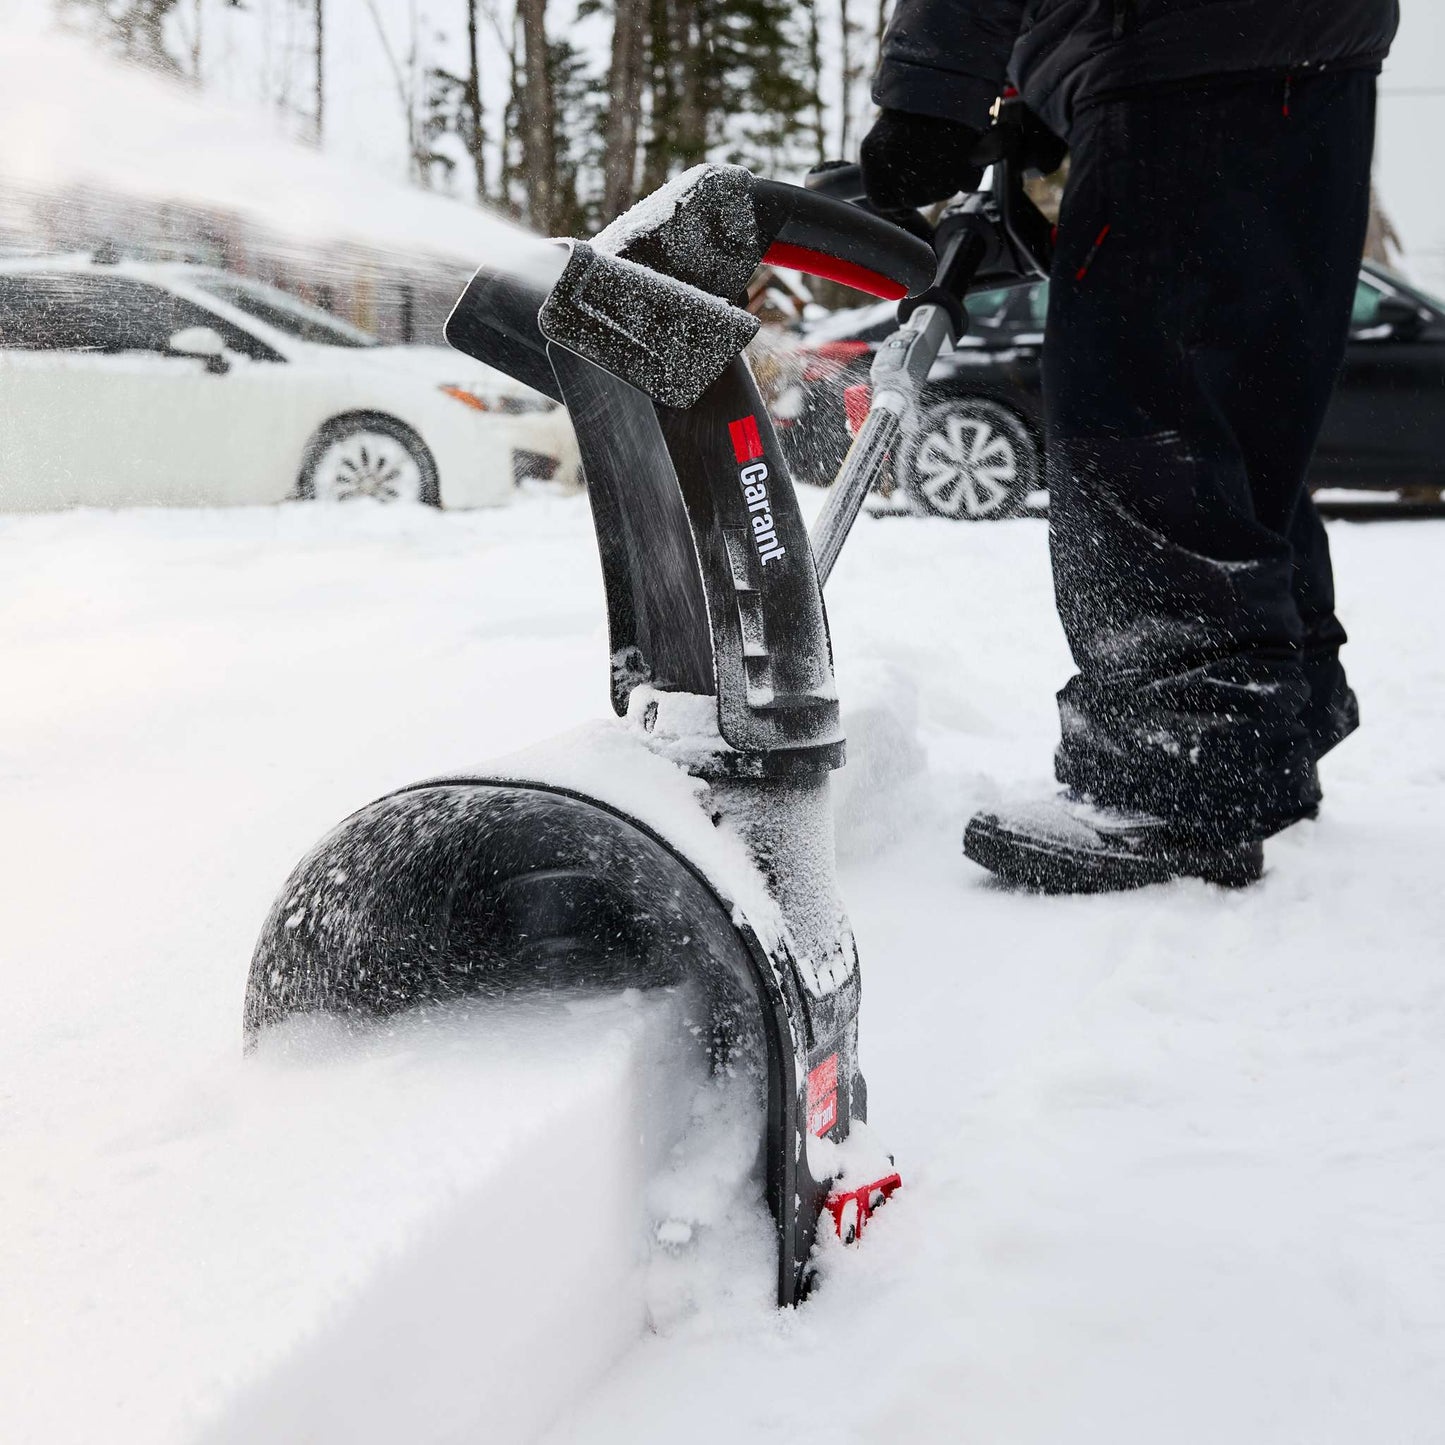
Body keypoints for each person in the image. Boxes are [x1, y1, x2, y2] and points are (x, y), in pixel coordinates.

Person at [860, 0, 1399, 893]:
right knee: (1235, 412)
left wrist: (931, 94)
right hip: (1317, 57)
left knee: (1133, 416)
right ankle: (1271, 738)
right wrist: (1043, 87)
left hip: (1170, 53)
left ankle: (1177, 777)